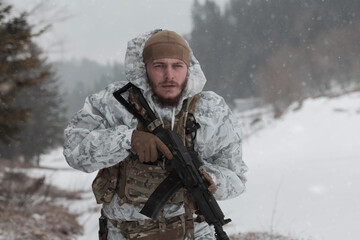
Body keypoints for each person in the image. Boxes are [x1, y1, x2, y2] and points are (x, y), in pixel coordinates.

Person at [63, 29, 247, 240]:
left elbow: (237, 177)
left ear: (188, 68)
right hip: (123, 233)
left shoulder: (211, 110)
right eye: (159, 66)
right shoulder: (111, 103)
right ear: (145, 68)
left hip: (194, 233)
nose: (169, 75)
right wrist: (127, 139)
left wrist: (213, 181)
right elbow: (74, 152)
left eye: (177, 66)